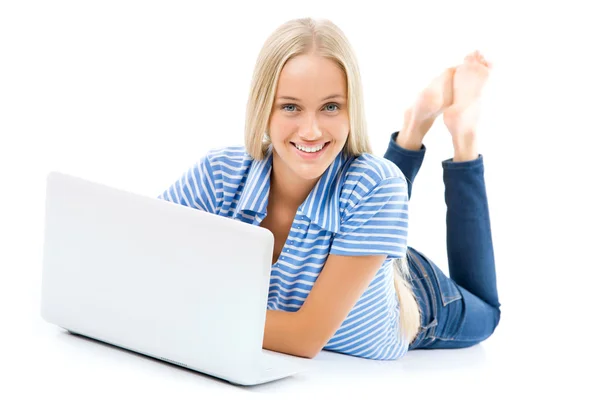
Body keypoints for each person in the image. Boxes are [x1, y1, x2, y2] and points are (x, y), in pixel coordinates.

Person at [157, 18, 501, 360]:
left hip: (416, 295)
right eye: (290, 106)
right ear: (263, 108)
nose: (310, 130)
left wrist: (183, 311)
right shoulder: (220, 173)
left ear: (352, 110)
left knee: (486, 312)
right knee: (375, 191)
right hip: (361, 235)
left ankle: (462, 134)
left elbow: (304, 338)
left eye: (331, 107)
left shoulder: (377, 187)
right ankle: (413, 127)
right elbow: (140, 257)